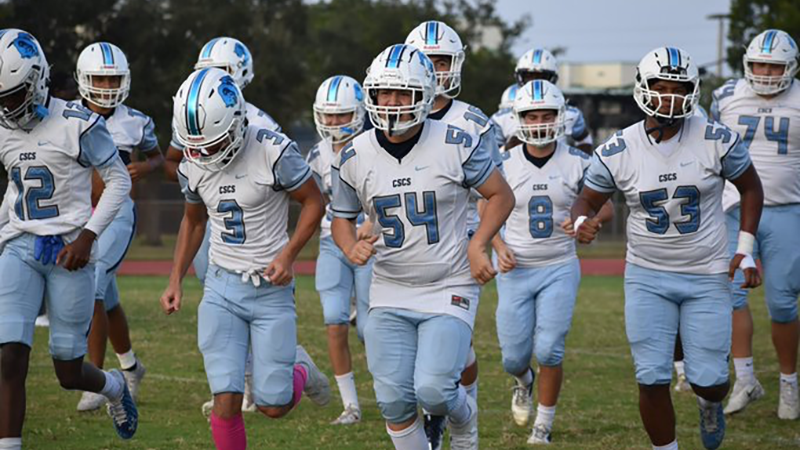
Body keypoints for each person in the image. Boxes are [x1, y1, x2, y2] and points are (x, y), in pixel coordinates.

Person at [571, 47, 764, 450]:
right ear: (643, 89)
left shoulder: (715, 138)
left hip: (707, 270)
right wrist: (579, 222)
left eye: (679, 88)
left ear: (693, 92)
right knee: (651, 376)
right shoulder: (619, 149)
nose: (669, 97)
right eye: (660, 87)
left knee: (710, 382)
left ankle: (709, 405)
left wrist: (744, 247)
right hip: (647, 274)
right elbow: (585, 199)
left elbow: (750, 187)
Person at [331, 43, 514, 450]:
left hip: (447, 283)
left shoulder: (454, 139)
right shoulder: (355, 154)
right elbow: (340, 218)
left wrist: (479, 243)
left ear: (424, 96)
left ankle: (464, 421)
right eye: (384, 93)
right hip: (389, 288)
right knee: (394, 402)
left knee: (434, 391)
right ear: (371, 95)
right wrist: (349, 247)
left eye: (403, 94)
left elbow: (501, 195)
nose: (392, 103)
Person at [160, 67, 328, 450]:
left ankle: (302, 369)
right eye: (195, 146)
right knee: (226, 400)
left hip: (270, 288)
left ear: (236, 123)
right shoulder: (193, 164)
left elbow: (314, 201)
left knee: (273, 405)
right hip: (221, 287)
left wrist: (288, 255)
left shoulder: (273, 149)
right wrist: (175, 280)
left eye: (212, 143)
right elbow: (193, 221)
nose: (202, 154)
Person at [0, 29, 137, 449]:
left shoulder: (78, 124)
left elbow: (117, 181)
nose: (6, 105)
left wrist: (88, 236)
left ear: (38, 80)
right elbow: (13, 189)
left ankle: (114, 386)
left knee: (68, 371)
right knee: (8, 357)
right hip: (20, 247)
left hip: (69, 251)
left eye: (13, 94)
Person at [161, 36, 280, 415]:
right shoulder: (193, 110)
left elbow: (288, 183)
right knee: (220, 298)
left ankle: (265, 375)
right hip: (214, 217)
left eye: (222, 71)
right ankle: (235, 382)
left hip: (254, 225)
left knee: (254, 303)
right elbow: (173, 163)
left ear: (241, 75)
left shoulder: (260, 123)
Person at [493, 79, 613, 444]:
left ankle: (543, 424)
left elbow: (604, 205)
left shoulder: (578, 160)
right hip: (515, 269)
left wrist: (589, 221)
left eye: (548, 114)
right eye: (533, 115)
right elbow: (486, 210)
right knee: (513, 358)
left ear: (561, 118)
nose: (541, 122)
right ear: (519, 120)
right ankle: (522, 382)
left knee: (549, 348)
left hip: (559, 265)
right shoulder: (504, 161)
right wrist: (497, 246)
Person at [404, 20, 503, 449]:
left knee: (454, 350)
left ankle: (457, 412)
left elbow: (491, 194)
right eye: (425, 59)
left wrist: (487, 242)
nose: (433, 68)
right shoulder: (393, 111)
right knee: (409, 349)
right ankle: (439, 413)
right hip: (403, 248)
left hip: (456, 251)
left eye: (440, 59)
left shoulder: (473, 122)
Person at [711, 29, 800, 419]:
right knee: (730, 292)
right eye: (759, 64)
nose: (765, 73)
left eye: (774, 65)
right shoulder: (726, 96)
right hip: (735, 209)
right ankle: (746, 379)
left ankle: (788, 382)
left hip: (787, 209)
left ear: (791, 68)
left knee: (782, 303)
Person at [72, 41, 162, 412]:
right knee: (107, 299)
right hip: (77, 214)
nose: (107, 87)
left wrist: (146, 167)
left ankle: (94, 378)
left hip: (118, 212)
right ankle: (130, 367)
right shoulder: (65, 116)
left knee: (92, 285)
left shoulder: (136, 121)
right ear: (84, 79)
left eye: (113, 79)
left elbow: (159, 157)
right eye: (100, 78)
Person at [307, 74, 372, 425]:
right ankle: (351, 405)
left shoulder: (373, 147)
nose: (333, 123)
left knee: (369, 329)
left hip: (370, 244)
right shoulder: (317, 154)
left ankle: (397, 392)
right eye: (328, 115)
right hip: (332, 242)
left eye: (342, 115)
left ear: (358, 113)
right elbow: (313, 203)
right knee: (334, 321)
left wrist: (373, 225)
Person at [492, 48, 593, 153]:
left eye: (542, 77)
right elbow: (490, 154)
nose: (536, 82)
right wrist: (507, 148)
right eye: (529, 76)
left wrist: (583, 163)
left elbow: (584, 140)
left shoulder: (571, 114)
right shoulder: (501, 118)